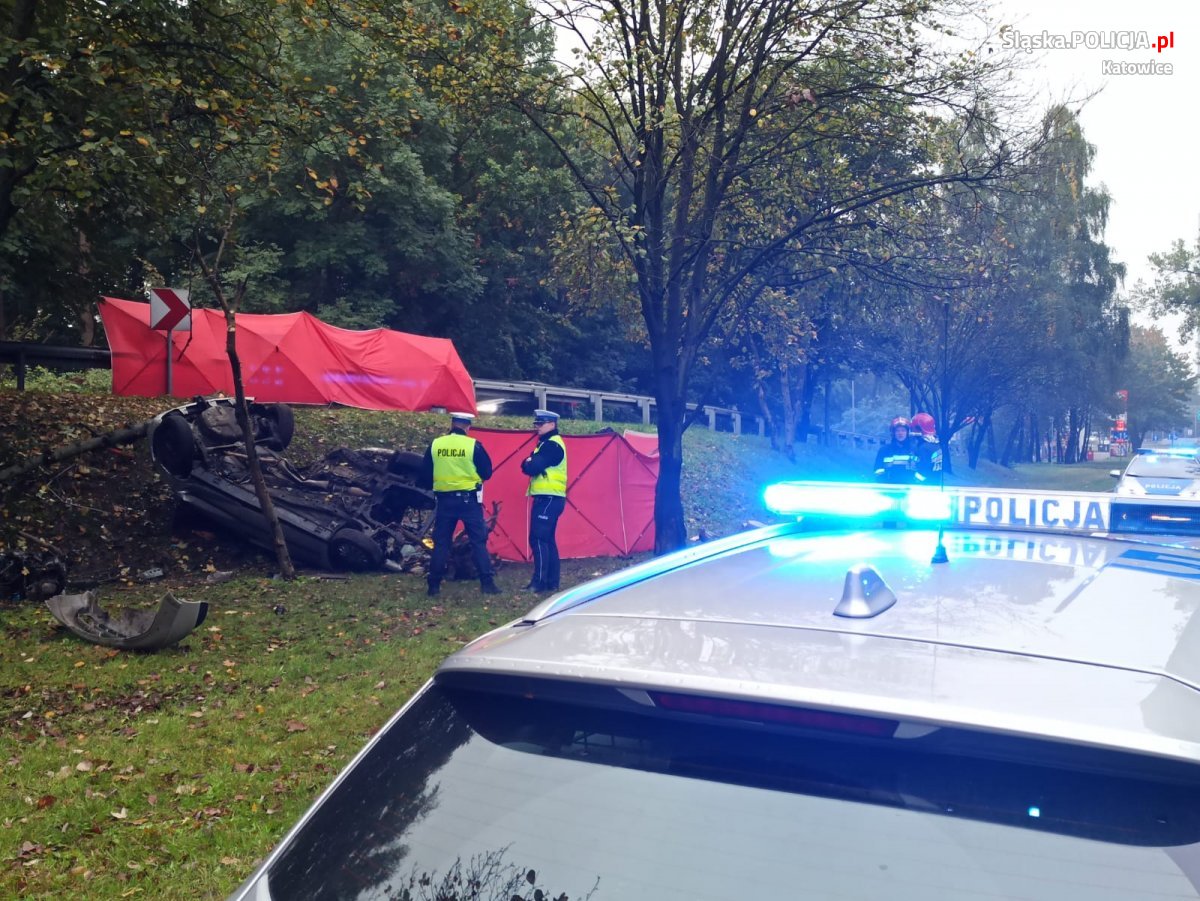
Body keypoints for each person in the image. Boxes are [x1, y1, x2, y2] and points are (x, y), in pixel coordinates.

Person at [419, 411, 501, 597]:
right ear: (467, 426)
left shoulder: (436, 444)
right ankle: (487, 584)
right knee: (478, 542)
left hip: (445, 501)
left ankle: (433, 586)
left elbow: (424, 475)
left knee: (441, 544)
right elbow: (487, 472)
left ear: (452, 424)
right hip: (468, 501)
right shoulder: (473, 445)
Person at [520, 409, 568, 592]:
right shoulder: (546, 444)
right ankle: (551, 582)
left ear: (552, 424)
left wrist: (529, 461)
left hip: (548, 498)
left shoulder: (552, 445)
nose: (537, 427)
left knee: (538, 539)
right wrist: (529, 462)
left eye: (541, 424)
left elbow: (532, 467)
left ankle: (539, 583)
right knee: (547, 540)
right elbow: (526, 464)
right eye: (536, 424)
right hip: (550, 498)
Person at [873, 416, 924, 484]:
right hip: (888, 488)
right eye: (897, 430)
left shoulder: (916, 450)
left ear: (907, 432)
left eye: (903, 430)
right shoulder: (884, 450)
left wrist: (915, 483)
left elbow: (922, 470)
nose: (900, 433)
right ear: (893, 433)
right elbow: (877, 470)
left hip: (911, 489)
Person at [910, 411, 943, 480]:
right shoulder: (936, 445)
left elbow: (923, 470)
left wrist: (911, 478)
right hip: (936, 484)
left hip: (924, 486)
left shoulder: (923, 448)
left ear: (918, 428)